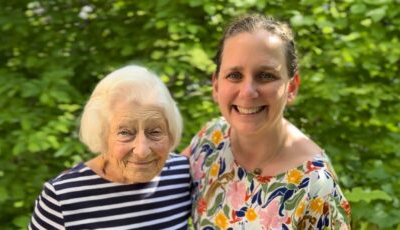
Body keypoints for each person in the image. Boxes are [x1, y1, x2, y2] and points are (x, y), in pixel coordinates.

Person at [183, 14, 351, 229]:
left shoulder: (316, 185)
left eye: (265, 76)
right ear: (216, 86)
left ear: (291, 87)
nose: (247, 92)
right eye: (234, 75)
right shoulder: (210, 140)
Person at [29, 65, 191, 229]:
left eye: (155, 132)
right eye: (126, 133)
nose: (142, 151)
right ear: (102, 135)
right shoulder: (62, 197)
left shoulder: (183, 174)